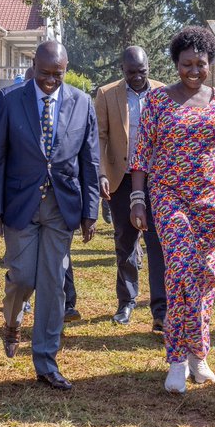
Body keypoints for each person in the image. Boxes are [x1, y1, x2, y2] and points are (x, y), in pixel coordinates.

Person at [0, 41, 99, 392]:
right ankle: (12, 319)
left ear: (66, 69)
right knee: (22, 276)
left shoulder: (82, 103)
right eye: (45, 73)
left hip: (62, 206)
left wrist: (89, 211)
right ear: (33, 65)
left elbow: (89, 161)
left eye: (58, 74)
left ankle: (46, 360)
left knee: (53, 282)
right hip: (20, 203)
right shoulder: (9, 100)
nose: (50, 80)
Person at [128, 27, 215, 394]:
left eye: (200, 64)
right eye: (186, 63)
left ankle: (198, 354)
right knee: (179, 271)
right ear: (175, 64)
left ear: (210, 64)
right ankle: (176, 358)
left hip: (211, 198)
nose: (193, 70)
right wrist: (137, 199)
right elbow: (141, 153)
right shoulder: (157, 101)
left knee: (205, 276)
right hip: (169, 196)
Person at [95, 46, 166, 331]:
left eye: (142, 71)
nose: (137, 77)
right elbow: (98, 136)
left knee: (158, 244)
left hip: (157, 179)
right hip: (121, 178)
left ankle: (161, 310)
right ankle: (126, 302)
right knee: (125, 242)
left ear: (149, 67)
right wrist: (101, 173)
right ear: (122, 70)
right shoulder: (106, 94)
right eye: (131, 72)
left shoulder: (164, 93)